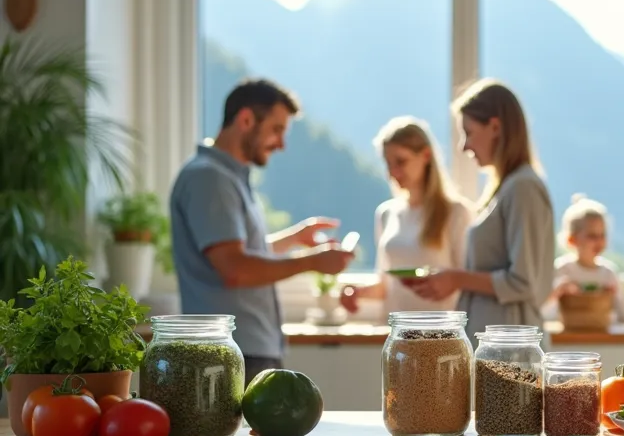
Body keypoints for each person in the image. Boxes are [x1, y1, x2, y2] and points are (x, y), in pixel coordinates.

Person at [170, 78, 355, 385]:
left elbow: (237, 252)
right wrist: (311, 261)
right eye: (277, 129)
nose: (281, 144)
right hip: (233, 352)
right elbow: (235, 269)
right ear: (245, 120)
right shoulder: (210, 179)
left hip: (247, 347)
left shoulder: (226, 177)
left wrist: (294, 239)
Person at [401, 79, 554, 340]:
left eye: (468, 132)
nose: (464, 146)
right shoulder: (506, 188)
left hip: (511, 348)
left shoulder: (523, 188)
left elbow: (523, 282)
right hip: (496, 344)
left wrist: (457, 279)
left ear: (495, 126)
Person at [340, 117, 472, 317]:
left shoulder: (455, 213)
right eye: (388, 163)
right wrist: (357, 293)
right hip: (397, 334)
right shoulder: (386, 214)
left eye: (401, 161)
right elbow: (387, 285)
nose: (393, 172)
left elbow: (466, 282)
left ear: (426, 155)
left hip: (440, 334)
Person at [544, 194, 624, 323]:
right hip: (569, 337)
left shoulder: (609, 273)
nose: (599, 241)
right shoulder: (562, 270)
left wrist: (616, 294)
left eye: (602, 235)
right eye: (592, 236)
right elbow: (545, 314)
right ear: (572, 240)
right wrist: (558, 291)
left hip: (600, 336)